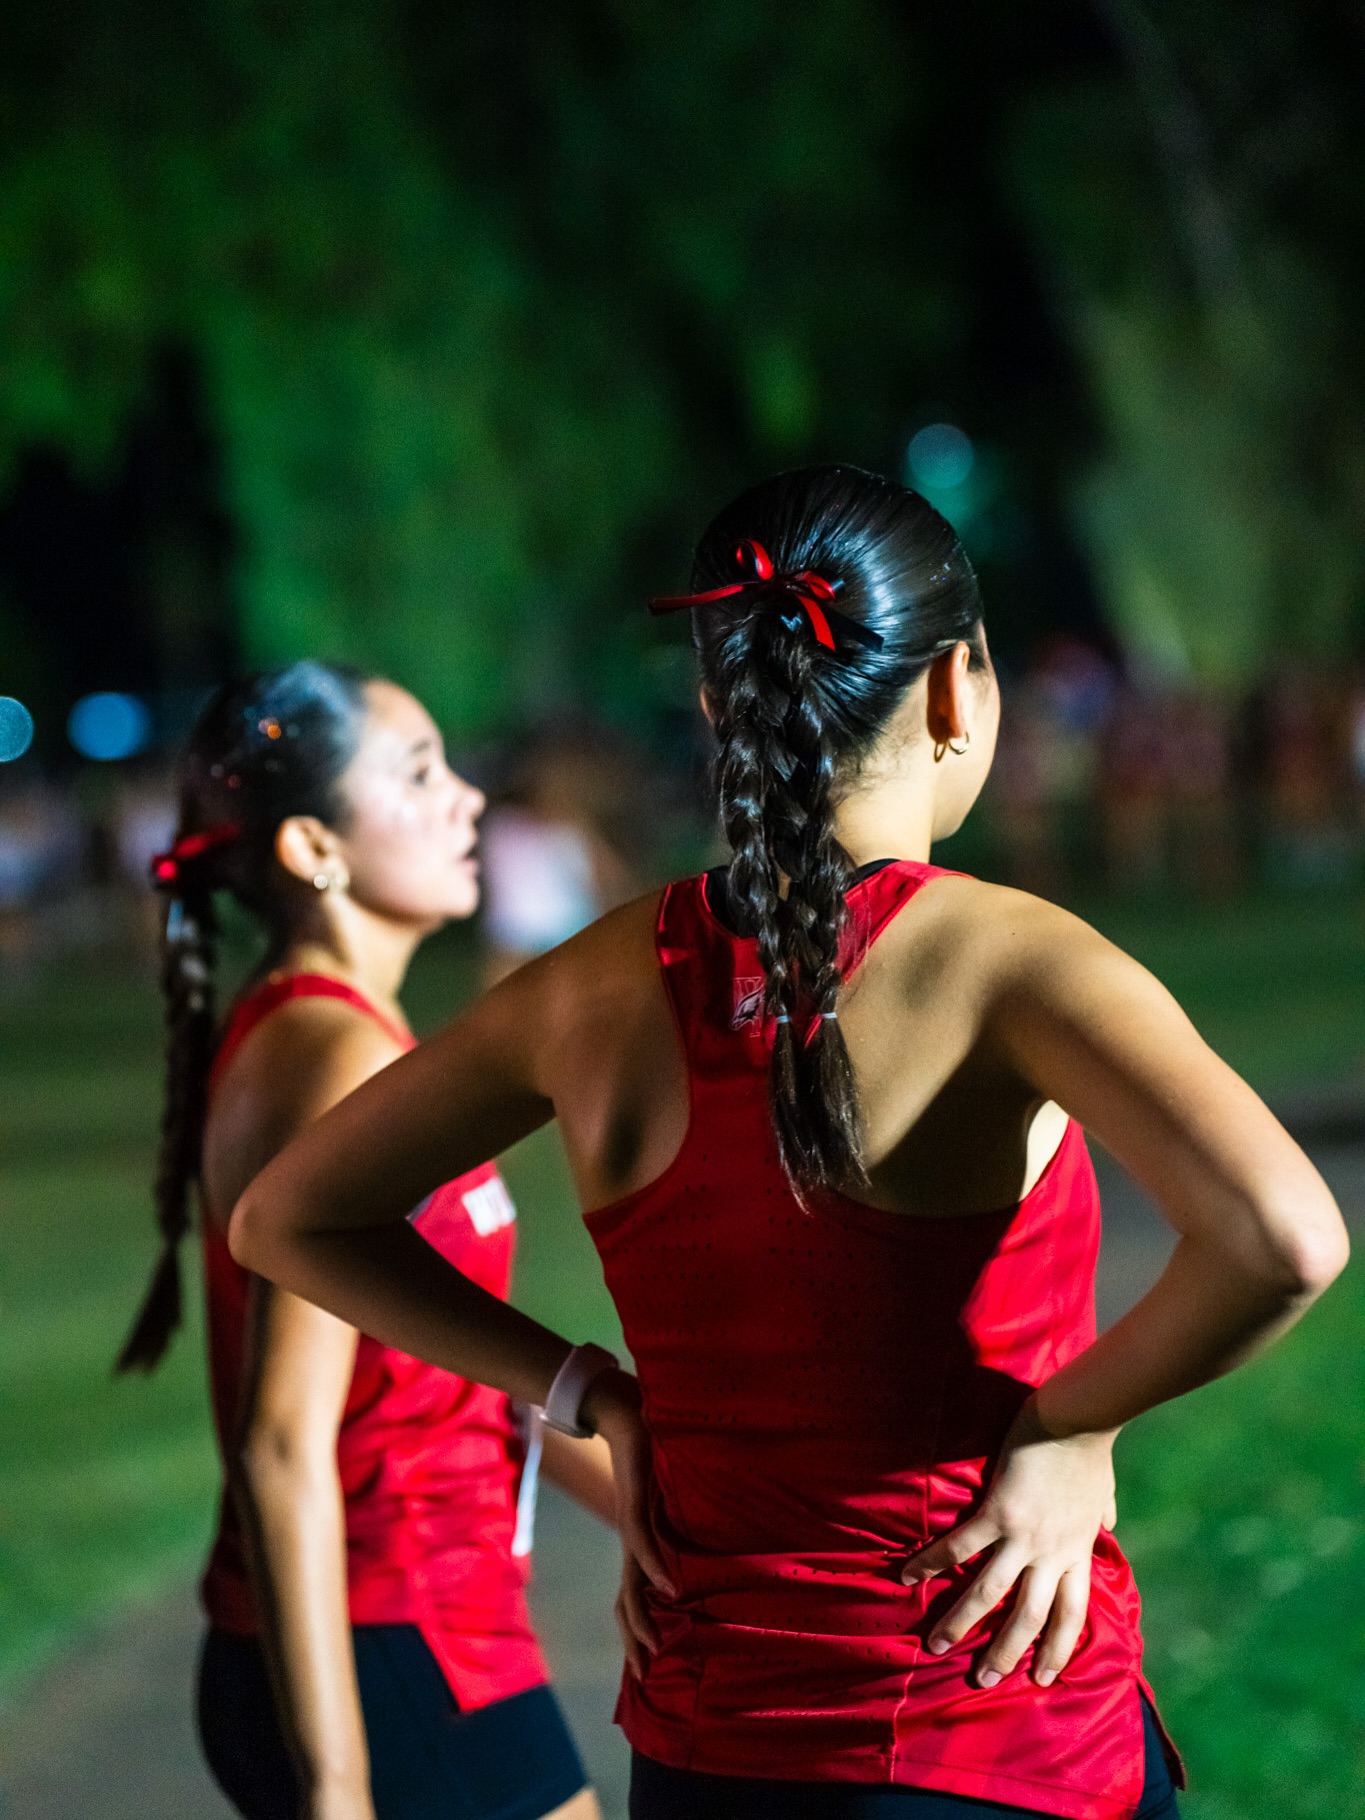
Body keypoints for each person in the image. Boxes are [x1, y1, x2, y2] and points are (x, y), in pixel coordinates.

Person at [228, 474, 1348, 1820]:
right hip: (994, 1734)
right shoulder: (1008, 959)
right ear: (954, 693)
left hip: (707, 1754)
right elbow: (1283, 1237)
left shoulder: (585, 988)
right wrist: (1070, 1423)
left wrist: (591, 1391)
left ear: (717, 708)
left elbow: (285, 1221)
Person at [115, 660, 614, 1820]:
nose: (471, 799)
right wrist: (336, 1788)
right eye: (420, 772)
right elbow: (280, 1443)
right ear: (313, 850)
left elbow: (440, 1365)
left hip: (429, 1621)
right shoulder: (331, 1064)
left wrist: (666, 1508)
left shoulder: (349, 1037)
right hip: (391, 1638)